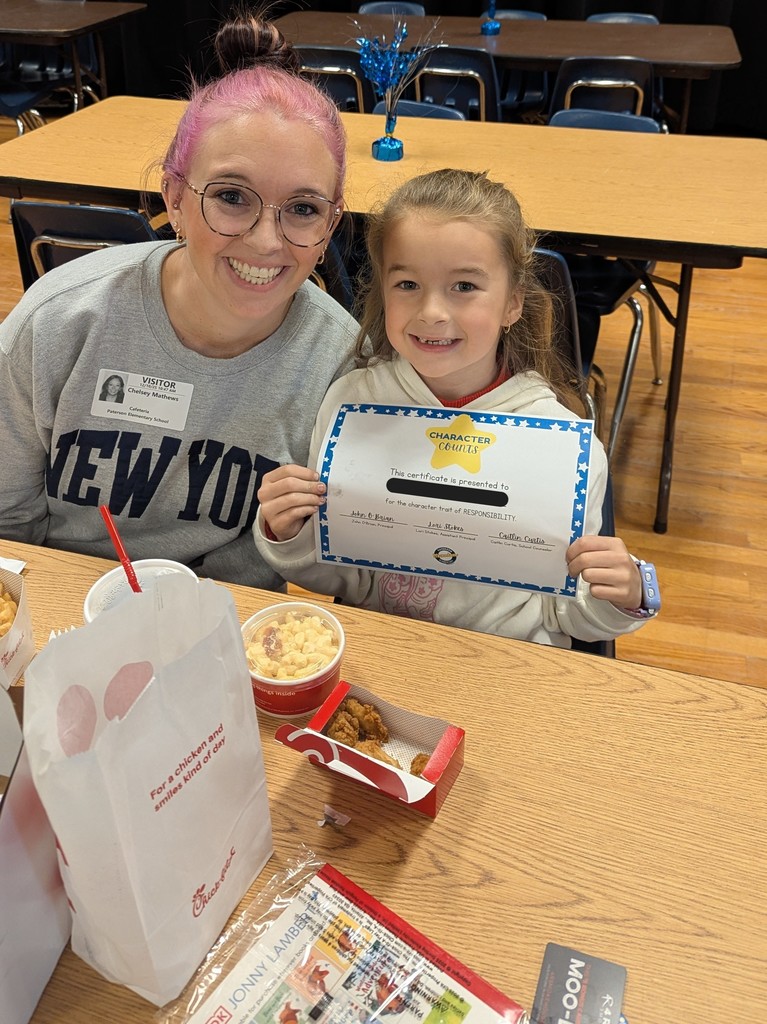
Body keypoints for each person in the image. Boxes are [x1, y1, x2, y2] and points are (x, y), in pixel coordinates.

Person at [0, 13, 360, 588]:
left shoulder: (341, 367)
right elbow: (6, 523)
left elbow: (344, 567)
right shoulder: (58, 323)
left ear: (331, 225)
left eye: (303, 209)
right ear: (174, 195)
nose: (267, 242)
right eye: (232, 197)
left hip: (239, 630)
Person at [254, 169, 657, 648]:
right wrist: (290, 534)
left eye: (464, 286)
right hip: (385, 655)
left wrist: (620, 593)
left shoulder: (560, 442)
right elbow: (351, 580)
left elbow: (567, 612)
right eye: (407, 284)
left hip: (509, 672)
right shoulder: (353, 405)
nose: (432, 312)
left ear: (512, 304)